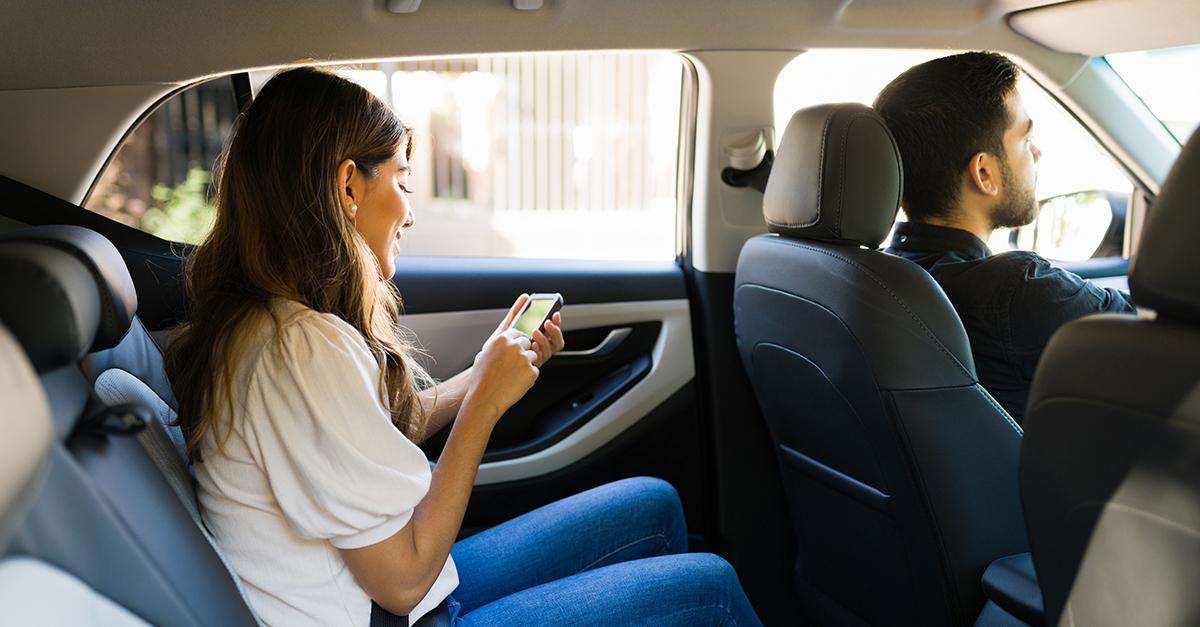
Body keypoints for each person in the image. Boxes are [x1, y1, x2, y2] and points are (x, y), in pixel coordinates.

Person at [163, 66, 761, 626]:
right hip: (399, 608)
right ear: (348, 185)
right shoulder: (301, 349)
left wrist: (479, 375)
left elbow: (364, 437)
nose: (410, 213)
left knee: (652, 505)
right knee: (710, 587)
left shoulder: (265, 323)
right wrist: (485, 407)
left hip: (401, 600)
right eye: (401, 180)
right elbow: (401, 580)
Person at [873, 51, 1136, 424]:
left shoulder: (873, 277)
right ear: (984, 173)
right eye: (1025, 140)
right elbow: (1156, 336)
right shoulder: (1017, 291)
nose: (1037, 154)